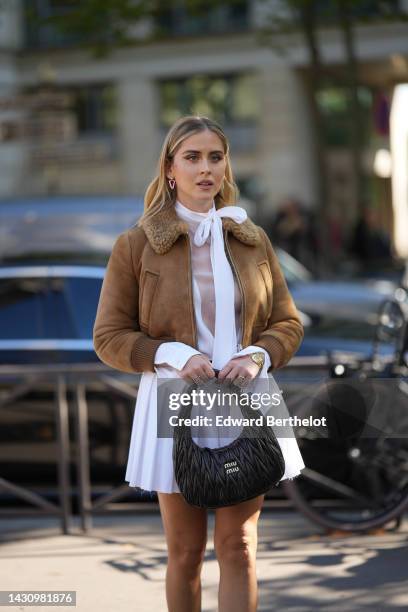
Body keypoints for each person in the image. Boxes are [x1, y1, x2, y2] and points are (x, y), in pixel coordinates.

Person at [93, 115, 306, 612]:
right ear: (170, 168)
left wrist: (259, 354)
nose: (205, 168)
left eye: (215, 157)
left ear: (226, 165)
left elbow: (288, 323)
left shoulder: (250, 238)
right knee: (186, 552)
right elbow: (108, 337)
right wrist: (172, 354)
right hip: (175, 402)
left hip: (247, 399)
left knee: (240, 547)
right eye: (192, 157)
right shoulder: (137, 244)